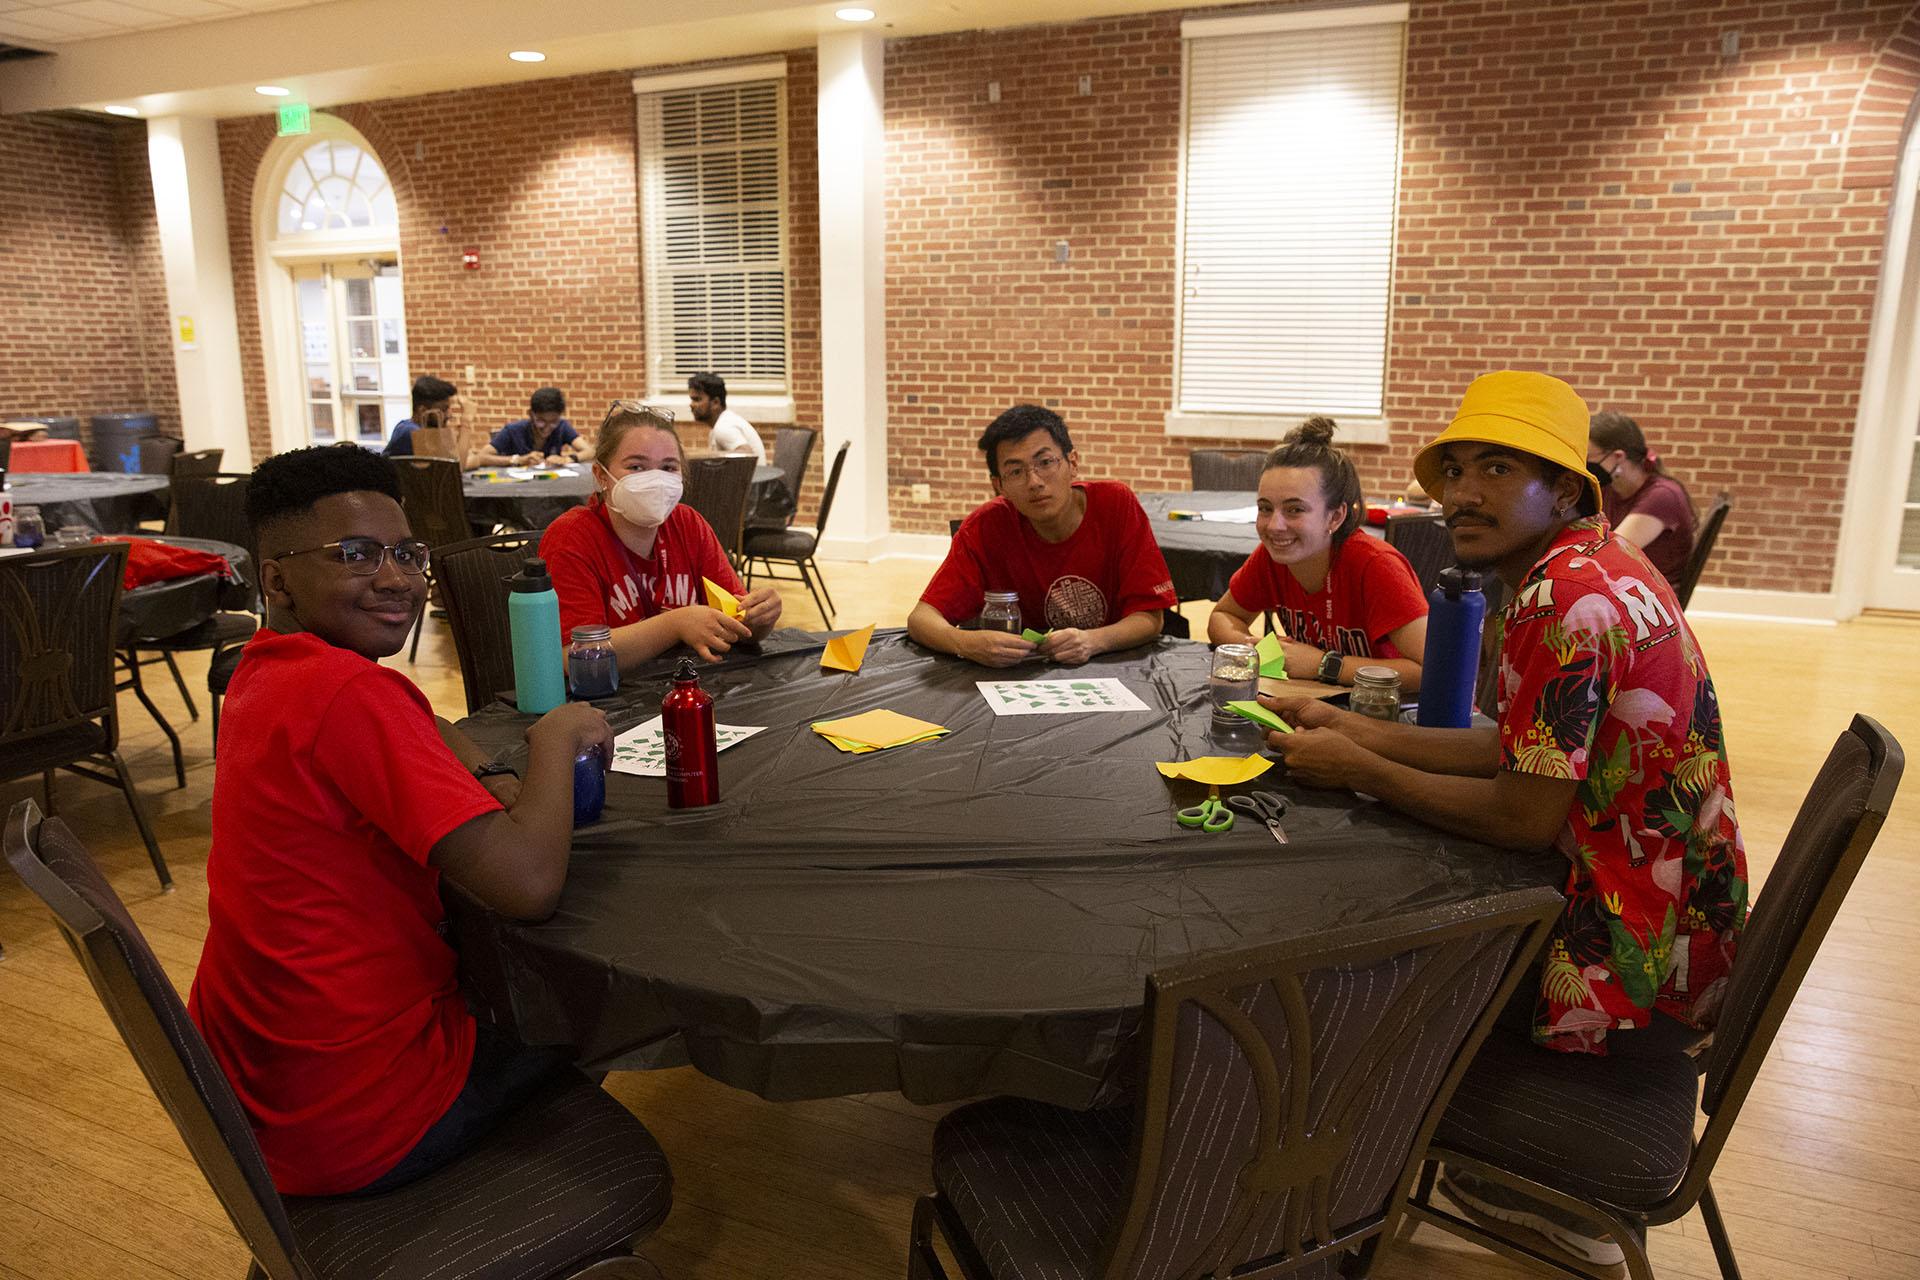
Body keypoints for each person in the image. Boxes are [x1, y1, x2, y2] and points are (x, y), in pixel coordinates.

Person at [1261, 371, 1747, 1268]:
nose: (1462, 494)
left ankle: (1548, 1200)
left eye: (1497, 469)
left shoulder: (1563, 601)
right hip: (1683, 918)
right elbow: (1528, 749)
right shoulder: (1594, 566)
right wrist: (1353, 724)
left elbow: (1525, 816)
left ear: (1565, 489)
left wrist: (1362, 766)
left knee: (1361, 971)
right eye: (1455, 471)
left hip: (1622, 950)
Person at [187, 444, 616, 1197]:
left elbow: (412, 725)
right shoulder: (347, 696)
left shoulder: (269, 670)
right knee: (605, 1002)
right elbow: (528, 885)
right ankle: (530, 1200)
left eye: (406, 554)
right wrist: (551, 739)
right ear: (276, 579)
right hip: (367, 1110)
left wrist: (477, 761)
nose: (396, 579)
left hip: (266, 1096)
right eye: (354, 555)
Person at [909, 404, 1177, 666]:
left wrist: (1093, 641)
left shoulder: (1116, 504)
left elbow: (1150, 618)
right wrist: (965, 643)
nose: (1034, 482)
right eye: (1015, 471)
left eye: (1045, 462)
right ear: (998, 485)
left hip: (1115, 667)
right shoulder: (985, 527)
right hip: (1021, 677)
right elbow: (922, 618)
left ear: (1072, 463)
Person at [541, 401, 781, 670]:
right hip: (611, 701)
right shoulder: (572, 538)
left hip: (688, 688)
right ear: (601, 476)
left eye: (668, 468)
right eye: (636, 468)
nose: (655, 479)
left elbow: (738, 626)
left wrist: (761, 618)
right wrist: (675, 625)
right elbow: (570, 658)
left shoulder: (688, 525)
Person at [1206, 417, 1428, 690]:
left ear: (1335, 517)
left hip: (1389, 714)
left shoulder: (1375, 565)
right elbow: (1223, 616)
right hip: (1319, 704)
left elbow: (1431, 671)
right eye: (1265, 508)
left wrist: (1326, 665)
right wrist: (1253, 650)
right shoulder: (1271, 557)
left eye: (1294, 509)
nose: (1275, 525)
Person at [1588, 409, 1697, 587]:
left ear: (1618, 457)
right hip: (1627, 585)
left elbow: (1610, 553)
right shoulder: (1610, 487)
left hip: (1650, 598)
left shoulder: (1662, 496)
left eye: (1588, 457)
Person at [466, 386, 590, 469]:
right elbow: (482, 456)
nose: (547, 428)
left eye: (553, 422)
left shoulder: (562, 427)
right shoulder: (513, 430)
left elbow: (591, 451)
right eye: (541, 422)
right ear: (531, 414)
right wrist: (518, 460)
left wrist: (569, 458)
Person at [689, 372, 766, 462]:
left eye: (697, 399)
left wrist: (710, 456)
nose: (691, 405)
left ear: (715, 403)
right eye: (692, 400)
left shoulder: (723, 427)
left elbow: (747, 455)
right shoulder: (723, 423)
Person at [382, 375, 460, 457]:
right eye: (444, 409)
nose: (449, 414)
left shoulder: (416, 429)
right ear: (422, 411)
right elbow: (454, 464)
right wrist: (467, 420)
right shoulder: (409, 432)